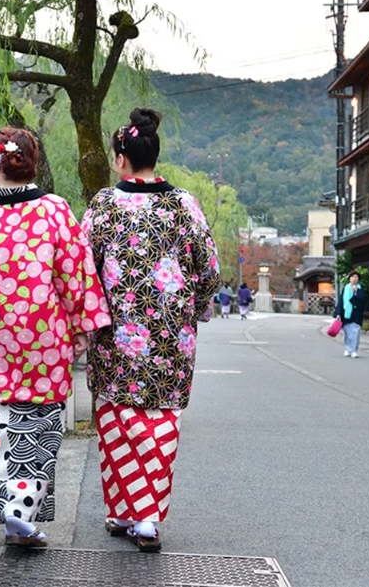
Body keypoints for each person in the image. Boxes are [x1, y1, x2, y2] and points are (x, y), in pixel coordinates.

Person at [0, 126, 111, 548]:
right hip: (45, 336)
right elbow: (75, 273)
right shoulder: (55, 211)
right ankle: (21, 510)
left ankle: (12, 510)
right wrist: (82, 325)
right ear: (32, 163)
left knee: (0, 427)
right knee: (41, 425)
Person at [82, 108, 220, 552]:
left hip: (115, 335)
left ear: (121, 157)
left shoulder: (104, 204)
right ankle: (145, 519)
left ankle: (123, 510)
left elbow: (84, 270)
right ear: (153, 155)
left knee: (117, 419)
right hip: (170, 336)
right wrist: (194, 308)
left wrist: (86, 321)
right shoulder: (185, 204)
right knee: (160, 422)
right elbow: (209, 269)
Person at [335, 272, 368, 358]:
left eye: (356, 277)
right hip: (346, 314)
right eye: (352, 277)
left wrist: (356, 293)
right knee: (347, 333)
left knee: (355, 333)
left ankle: (354, 350)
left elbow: (363, 301)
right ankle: (347, 349)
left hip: (357, 314)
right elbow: (341, 302)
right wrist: (338, 313)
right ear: (349, 279)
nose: (354, 279)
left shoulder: (360, 290)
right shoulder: (345, 289)